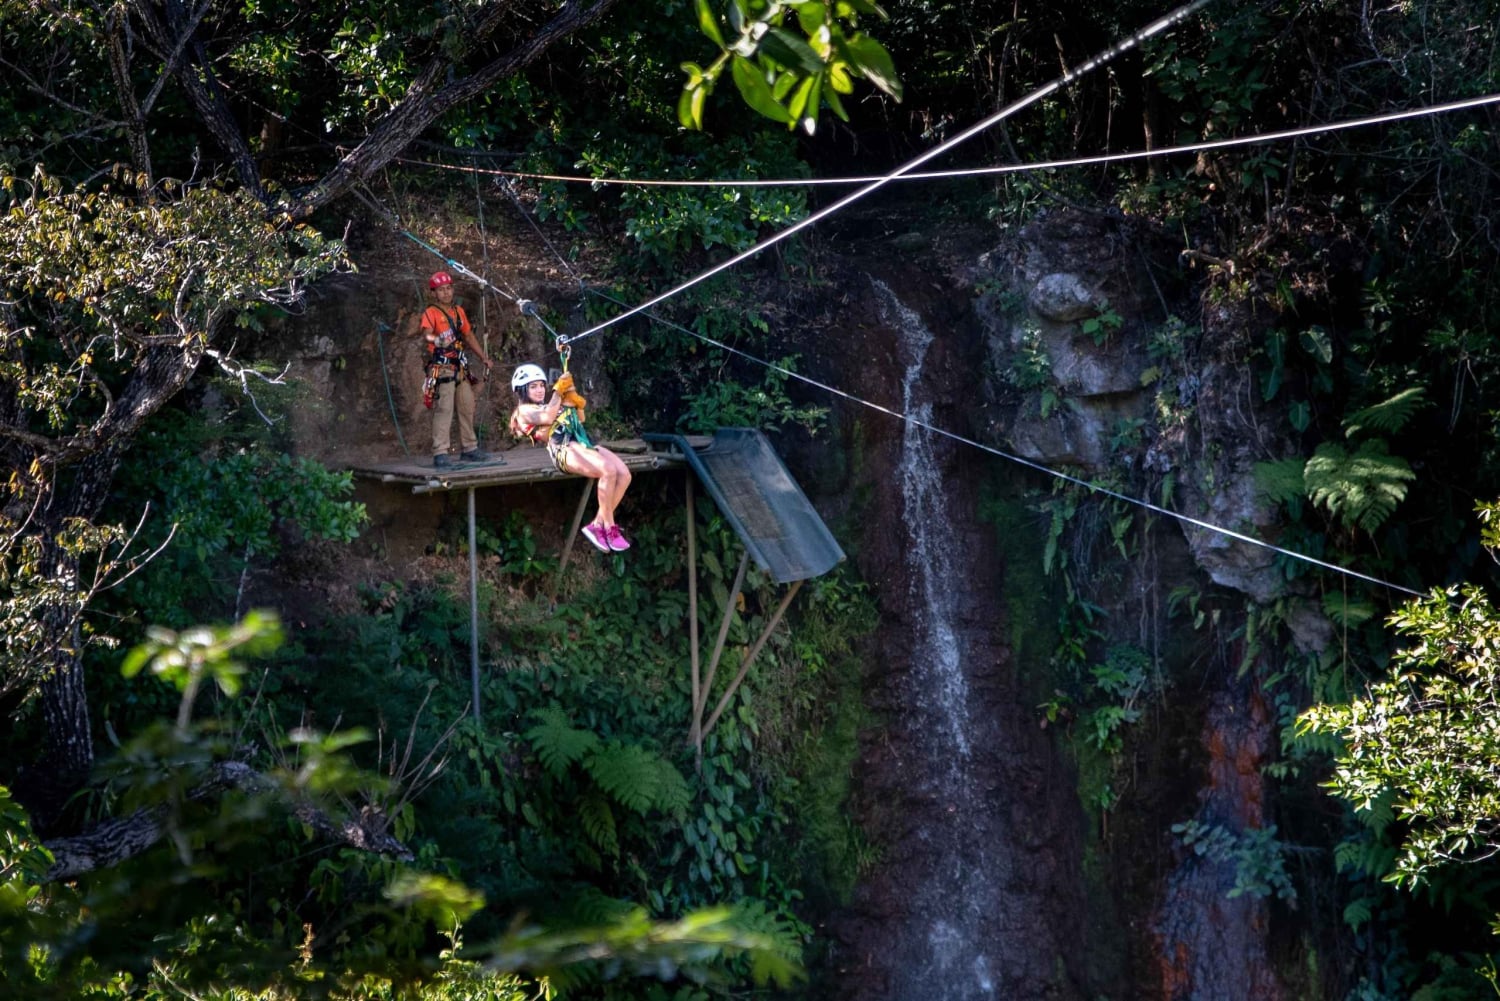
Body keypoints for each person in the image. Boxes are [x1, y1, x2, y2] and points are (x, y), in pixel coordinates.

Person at [509, 363, 633, 553]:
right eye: (533, 386)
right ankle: (608, 527)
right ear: (522, 390)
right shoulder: (524, 411)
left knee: (624, 475)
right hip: (564, 449)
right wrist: (558, 392)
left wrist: (574, 398)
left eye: (542, 385)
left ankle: (598, 523)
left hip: (581, 442)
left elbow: (580, 419)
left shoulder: (549, 403)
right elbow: (548, 417)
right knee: (607, 471)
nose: (540, 390)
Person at [407, 270, 493, 468]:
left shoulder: (458, 312)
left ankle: (470, 448)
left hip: (460, 366)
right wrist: (437, 339)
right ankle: (441, 452)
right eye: (441, 290)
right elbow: (426, 334)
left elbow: (469, 336)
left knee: (467, 404)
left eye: (448, 289)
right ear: (434, 293)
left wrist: (484, 358)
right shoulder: (432, 312)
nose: (446, 293)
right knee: (444, 408)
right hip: (442, 366)